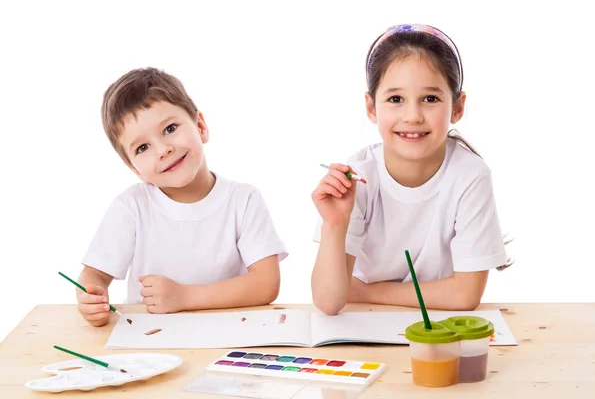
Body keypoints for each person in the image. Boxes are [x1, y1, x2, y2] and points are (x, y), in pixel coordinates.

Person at [311, 24, 511, 315]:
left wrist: (364, 292)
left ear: (457, 107)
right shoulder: (358, 176)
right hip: (368, 324)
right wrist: (334, 224)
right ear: (371, 107)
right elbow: (329, 302)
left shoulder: (470, 175)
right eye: (395, 99)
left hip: (439, 326)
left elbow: (465, 295)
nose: (413, 116)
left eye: (430, 99)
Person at [76, 67, 287, 326]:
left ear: (200, 126)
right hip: (152, 340)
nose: (163, 150)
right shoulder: (131, 207)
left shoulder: (244, 200)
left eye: (170, 128)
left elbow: (266, 284)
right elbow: (94, 274)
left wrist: (183, 297)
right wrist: (91, 298)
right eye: (143, 147)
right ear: (134, 169)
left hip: (230, 334)